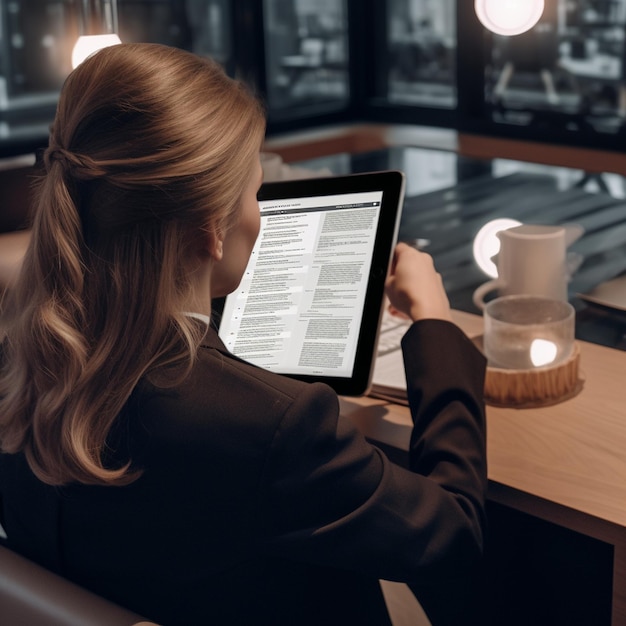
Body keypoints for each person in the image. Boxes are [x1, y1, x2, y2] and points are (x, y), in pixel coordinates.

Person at [0, 43, 487, 626]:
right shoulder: (273, 427)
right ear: (210, 230)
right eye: (255, 193)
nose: (261, 215)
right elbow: (452, 533)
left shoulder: (19, 367)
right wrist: (434, 325)